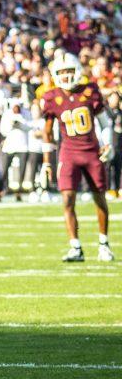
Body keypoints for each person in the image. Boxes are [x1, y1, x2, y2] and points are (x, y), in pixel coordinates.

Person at [40, 52, 113, 263]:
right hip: (69, 152)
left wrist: (107, 143)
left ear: (77, 71)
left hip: (91, 151)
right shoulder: (52, 97)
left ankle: (104, 243)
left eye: (68, 71)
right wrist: (46, 161)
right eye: (61, 72)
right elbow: (47, 131)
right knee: (67, 199)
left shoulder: (90, 91)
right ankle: (75, 246)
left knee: (99, 197)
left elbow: (105, 123)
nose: (65, 75)